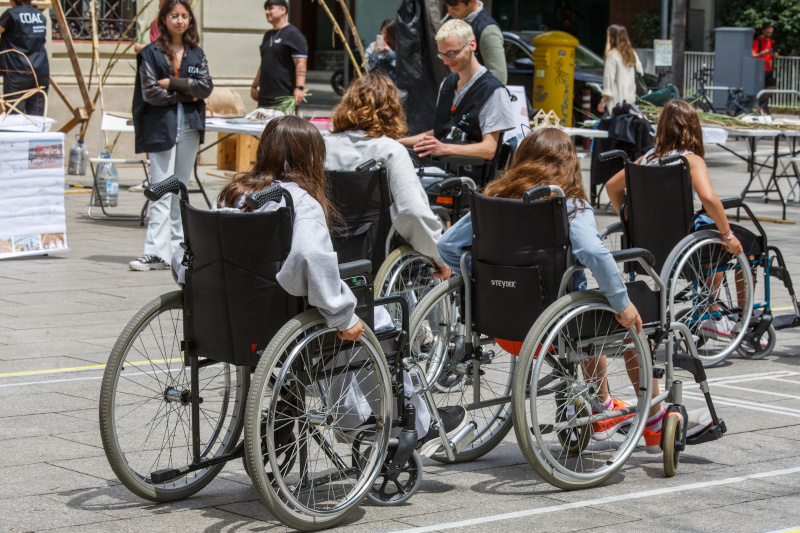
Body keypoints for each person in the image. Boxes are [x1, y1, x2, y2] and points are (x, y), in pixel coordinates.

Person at [172, 115, 466, 459]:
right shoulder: (300, 201)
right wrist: (342, 314)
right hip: (286, 321)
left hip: (233, 318)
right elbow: (310, 257)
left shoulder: (233, 195)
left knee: (342, 324)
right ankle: (413, 421)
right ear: (312, 158)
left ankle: (356, 419)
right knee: (376, 319)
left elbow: (185, 259)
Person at [438, 127, 714, 452]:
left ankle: (603, 407)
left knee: (592, 314)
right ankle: (653, 423)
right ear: (569, 164)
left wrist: (480, 284)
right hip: (558, 329)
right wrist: (623, 303)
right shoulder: (568, 205)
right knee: (627, 323)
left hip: (500, 326)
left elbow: (447, 246)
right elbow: (595, 254)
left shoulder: (495, 200)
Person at [606, 99, 745, 337]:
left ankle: (710, 306)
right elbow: (709, 200)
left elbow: (611, 186)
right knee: (744, 248)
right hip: (681, 244)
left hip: (648, 243)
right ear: (693, 129)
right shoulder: (690, 160)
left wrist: (628, 218)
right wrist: (727, 234)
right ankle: (740, 317)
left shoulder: (647, 158)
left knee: (711, 244)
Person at [325, 71, 450, 279]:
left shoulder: (321, 146)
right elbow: (412, 212)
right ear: (392, 110)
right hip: (375, 259)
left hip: (326, 252)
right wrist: (439, 257)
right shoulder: (389, 150)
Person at [129, 0, 212, 271]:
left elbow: (205, 87)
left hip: (189, 126)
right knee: (161, 189)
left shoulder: (196, 53)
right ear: (163, 19)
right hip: (160, 126)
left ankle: (178, 251)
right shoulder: (151, 53)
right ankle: (154, 252)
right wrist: (185, 94)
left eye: (184, 16)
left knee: (181, 190)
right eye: (174, 15)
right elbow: (151, 92)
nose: (179, 20)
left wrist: (173, 84)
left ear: (190, 21)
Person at [399, 19, 515, 165]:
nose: (446, 61)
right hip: (439, 171)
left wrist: (444, 148)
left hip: (468, 178)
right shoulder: (447, 84)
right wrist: (397, 142)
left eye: (452, 53)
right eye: (442, 55)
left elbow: (489, 149)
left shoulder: (493, 91)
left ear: (472, 45)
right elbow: (440, 132)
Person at [251, 0, 308, 109]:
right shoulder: (267, 36)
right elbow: (264, 63)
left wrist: (299, 88)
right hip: (264, 95)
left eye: (271, 8)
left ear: (283, 10)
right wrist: (254, 85)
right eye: (266, 9)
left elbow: (301, 63)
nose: (267, 12)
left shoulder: (294, 35)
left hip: (284, 96)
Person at [0, 0, 48, 116]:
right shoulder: (40, 16)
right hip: (40, 72)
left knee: (15, 116)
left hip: (17, 71)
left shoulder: (11, 14)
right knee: (36, 117)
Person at [441, 0, 506, 84]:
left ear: (471, 1)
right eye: (447, 8)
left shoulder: (487, 30)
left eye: (455, 9)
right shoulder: (449, 20)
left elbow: (498, 77)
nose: (449, 13)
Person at [597, 25, 643, 116]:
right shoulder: (632, 53)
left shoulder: (612, 55)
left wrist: (603, 101)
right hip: (630, 100)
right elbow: (640, 71)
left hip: (616, 102)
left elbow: (609, 79)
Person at [753, 22, 779, 115]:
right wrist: (763, 53)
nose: (769, 35)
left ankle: (762, 102)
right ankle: (761, 105)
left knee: (771, 88)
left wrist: (774, 55)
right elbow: (753, 55)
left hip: (769, 68)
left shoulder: (771, 41)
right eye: (767, 33)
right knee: (759, 89)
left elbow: (772, 54)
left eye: (771, 33)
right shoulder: (757, 41)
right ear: (763, 30)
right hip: (760, 69)